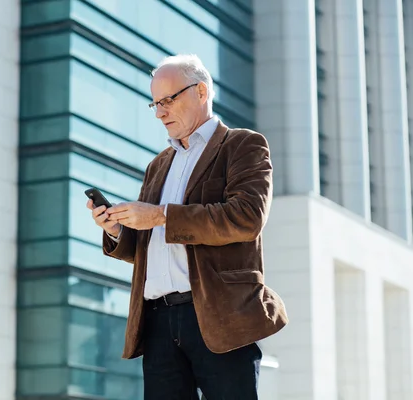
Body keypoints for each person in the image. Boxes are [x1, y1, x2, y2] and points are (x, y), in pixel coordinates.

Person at [86, 54, 288, 400]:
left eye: (168, 100)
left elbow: (246, 217)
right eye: (155, 104)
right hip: (159, 323)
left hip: (219, 317)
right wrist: (118, 230)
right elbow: (150, 246)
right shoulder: (157, 165)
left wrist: (162, 215)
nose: (160, 112)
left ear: (201, 91)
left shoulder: (242, 145)